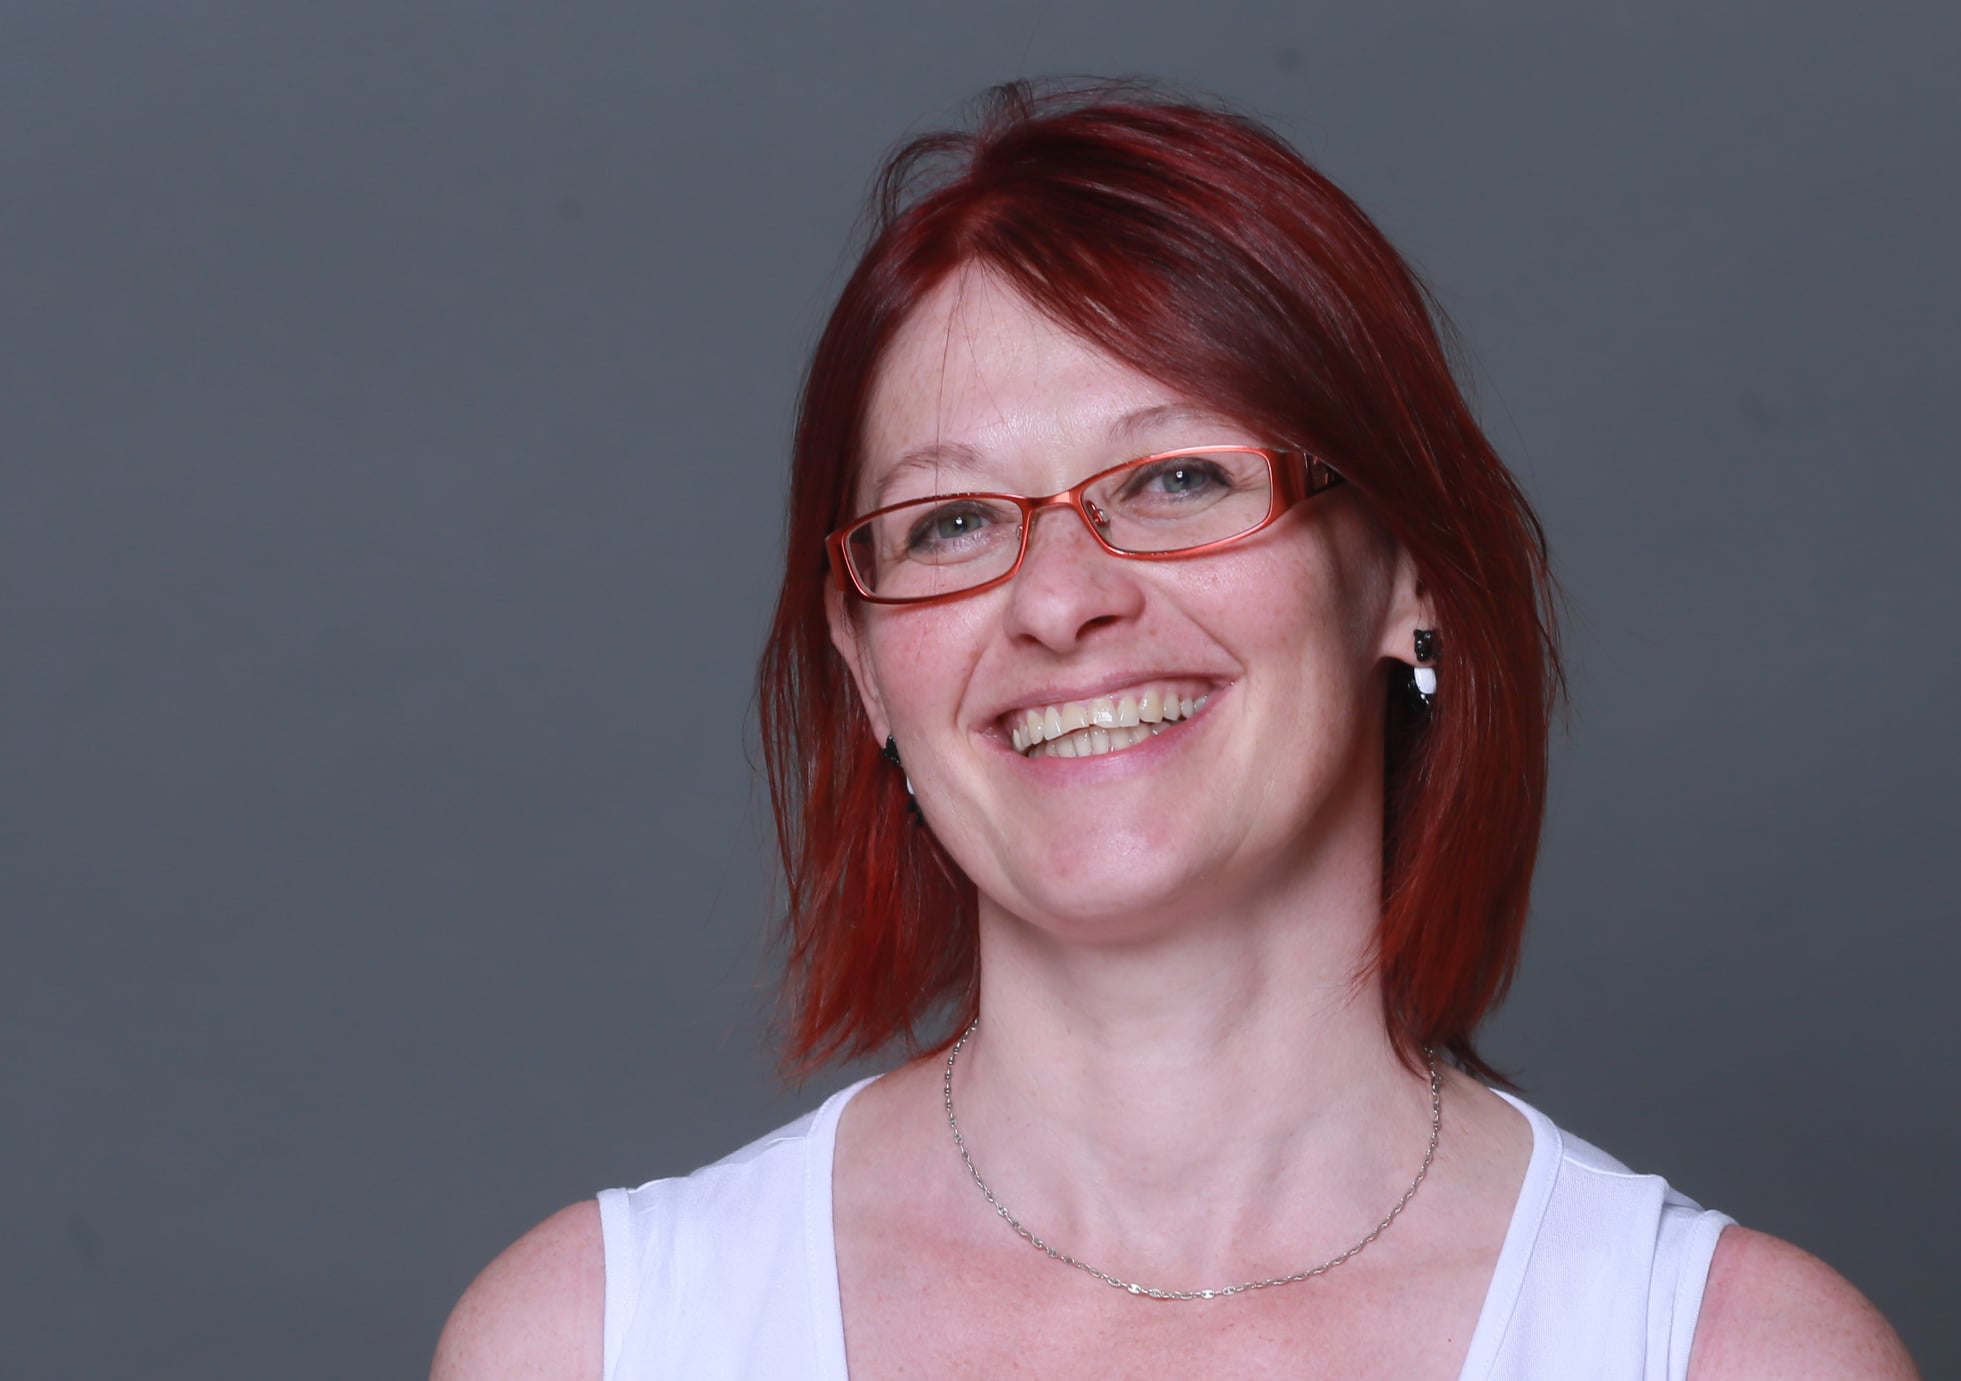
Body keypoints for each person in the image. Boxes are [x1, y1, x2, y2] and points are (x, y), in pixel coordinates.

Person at [432, 82, 1917, 1379]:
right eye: (951, 522)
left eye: (1179, 480)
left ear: (1407, 575)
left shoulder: (1737, 1356)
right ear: (867, 666)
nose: (1058, 600)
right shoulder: (589, 1343)